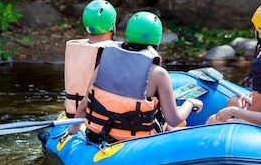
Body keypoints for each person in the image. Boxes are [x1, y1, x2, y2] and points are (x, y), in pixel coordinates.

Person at [69, 11, 203, 143]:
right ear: (157, 39)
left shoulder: (106, 62)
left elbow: (84, 105)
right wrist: (190, 103)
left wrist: (71, 133)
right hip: (136, 142)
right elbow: (174, 119)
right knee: (175, 125)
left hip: (98, 135)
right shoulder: (159, 74)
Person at [205, 2, 261, 124]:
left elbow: (259, 113)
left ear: (259, 30)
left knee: (212, 120)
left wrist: (238, 110)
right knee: (234, 100)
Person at [64, 0, 118, 117]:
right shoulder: (110, 52)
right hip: (95, 116)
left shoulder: (75, 47)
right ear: (112, 26)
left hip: (71, 112)